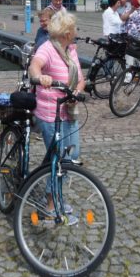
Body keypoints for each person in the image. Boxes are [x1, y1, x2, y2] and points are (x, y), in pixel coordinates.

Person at [28, 12, 85, 218]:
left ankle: (49, 190)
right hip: (50, 113)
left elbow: (80, 79)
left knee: (71, 155)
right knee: (60, 158)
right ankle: (51, 204)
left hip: (69, 111)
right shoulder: (48, 48)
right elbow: (34, 66)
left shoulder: (71, 50)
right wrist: (40, 76)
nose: (77, 32)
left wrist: (77, 92)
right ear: (68, 32)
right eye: (75, 29)